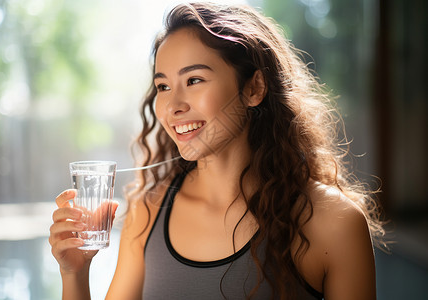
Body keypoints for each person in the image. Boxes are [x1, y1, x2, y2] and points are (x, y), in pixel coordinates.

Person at [49, 2, 386, 299]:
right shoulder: (147, 212)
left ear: (254, 88)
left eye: (194, 80)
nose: (172, 106)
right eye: (163, 86)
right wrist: (74, 273)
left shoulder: (333, 224)